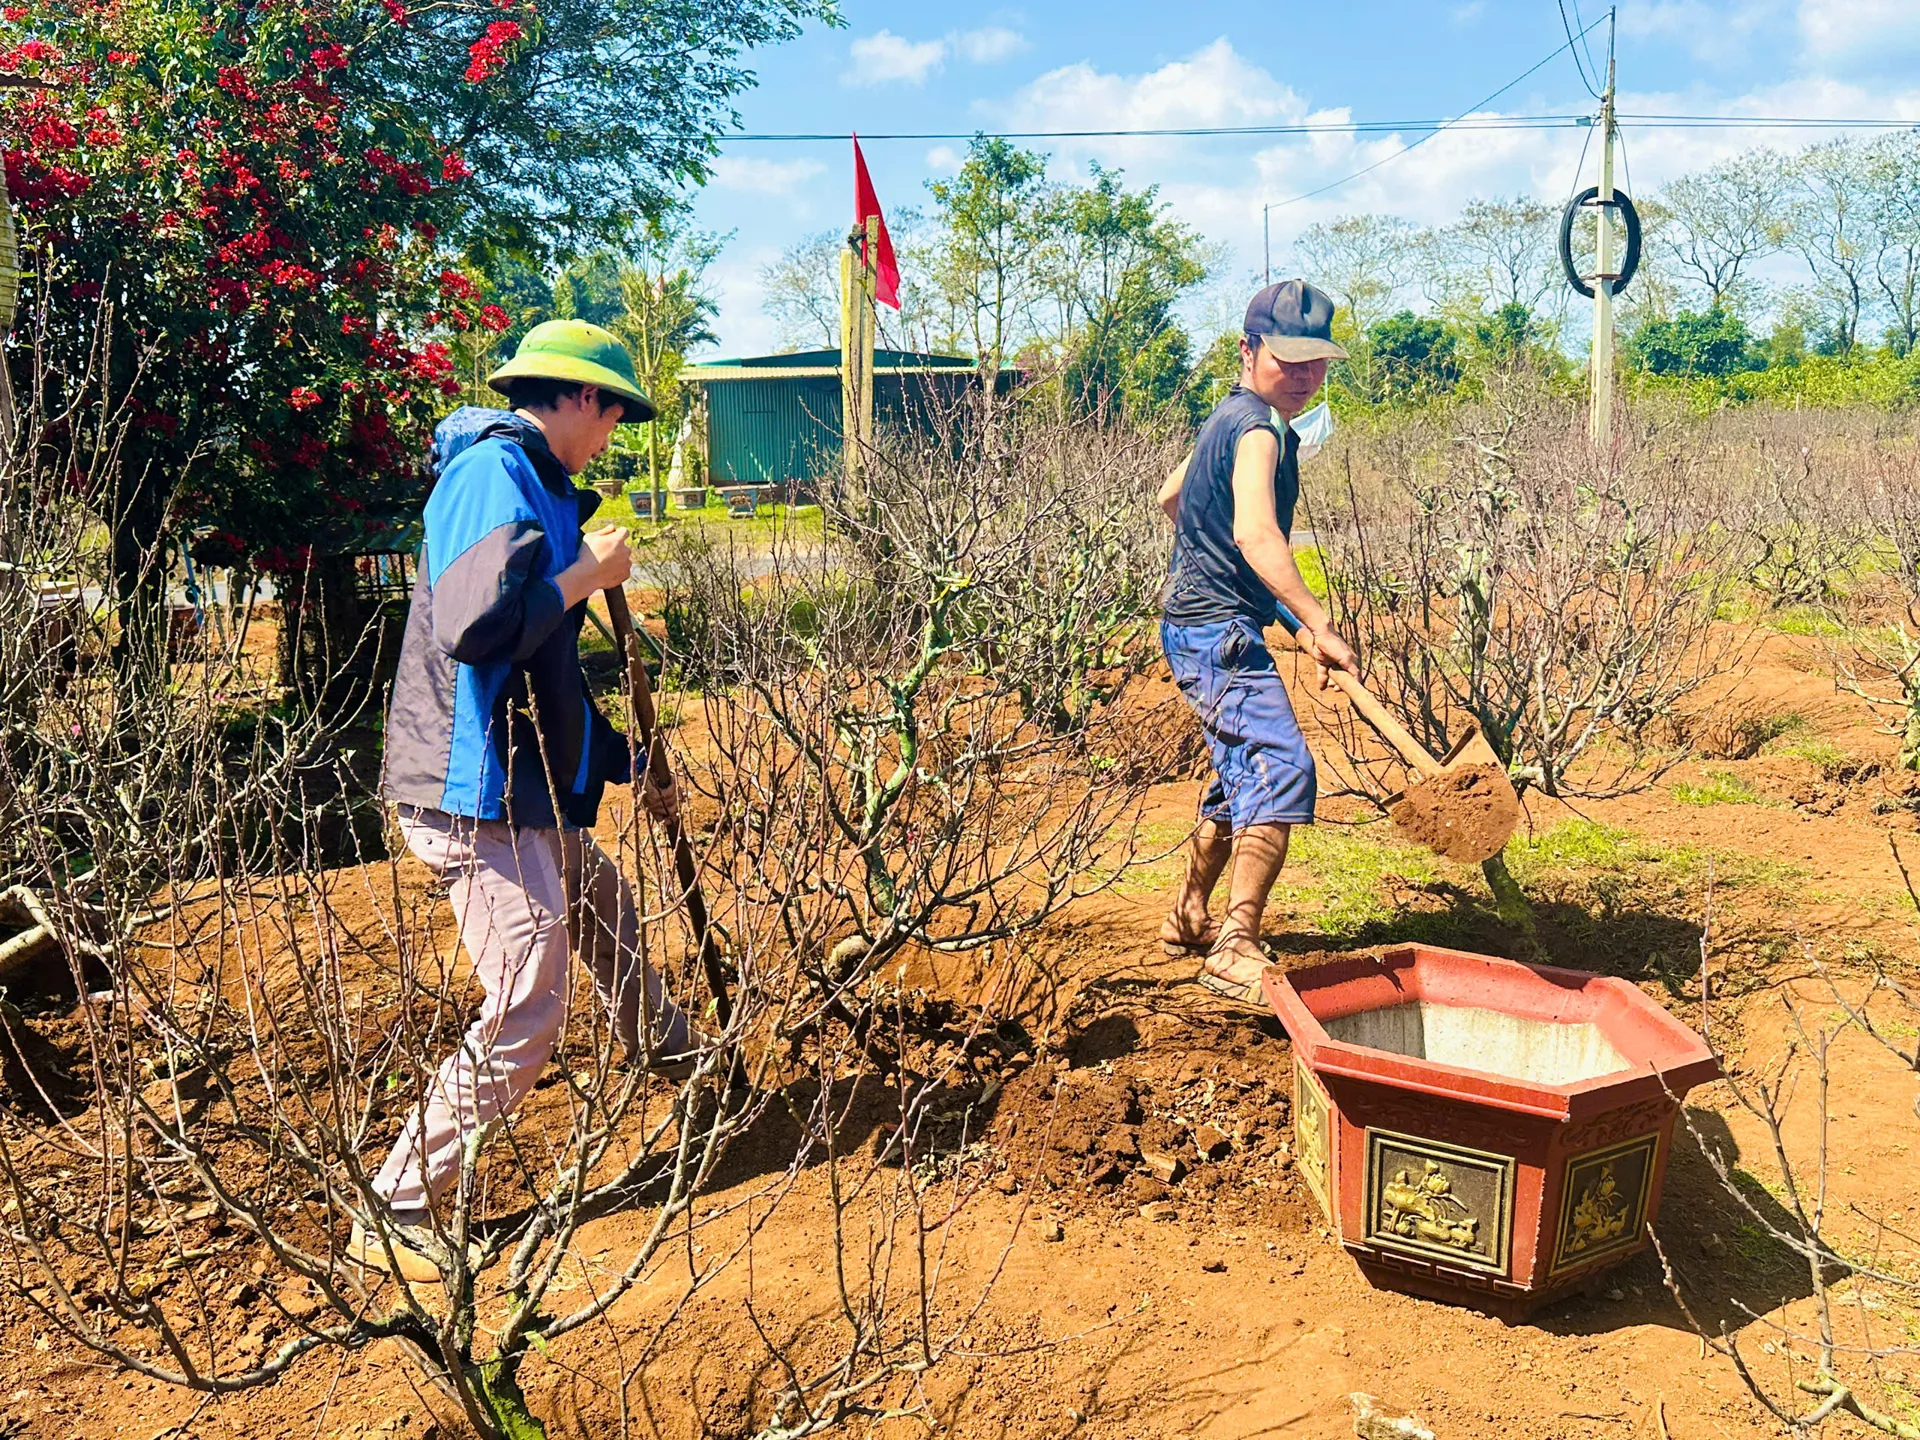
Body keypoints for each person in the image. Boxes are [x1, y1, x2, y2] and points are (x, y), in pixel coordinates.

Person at [352, 319, 701, 1282]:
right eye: (613, 414)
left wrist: (628, 760)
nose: (613, 434)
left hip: (519, 781)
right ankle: (396, 1206)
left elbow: (548, 673)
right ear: (581, 397)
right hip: (472, 790)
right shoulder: (490, 476)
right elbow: (478, 631)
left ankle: (676, 1056)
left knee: (599, 900)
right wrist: (585, 575)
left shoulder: (540, 486)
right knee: (529, 1002)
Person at [1155, 279, 1358, 1006]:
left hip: (1199, 622)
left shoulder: (1230, 416)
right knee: (1280, 767)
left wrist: (1286, 619)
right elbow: (1256, 534)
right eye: (1287, 359)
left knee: (1239, 775)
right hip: (1216, 632)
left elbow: (1170, 498)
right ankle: (1235, 947)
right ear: (1249, 350)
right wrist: (1319, 621)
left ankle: (1190, 915)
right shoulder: (1261, 431)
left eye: (1315, 361)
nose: (1302, 375)